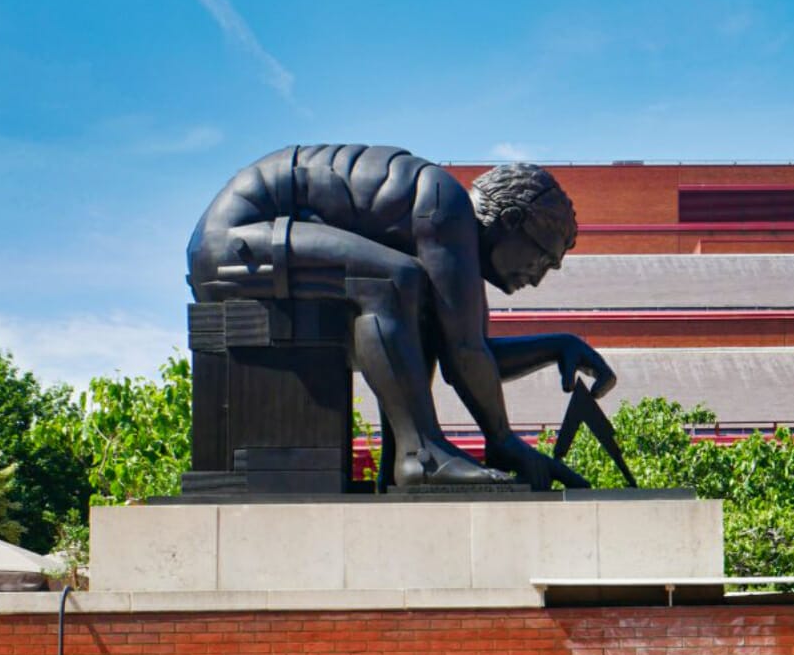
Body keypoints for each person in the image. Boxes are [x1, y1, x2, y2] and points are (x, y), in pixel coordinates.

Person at [187, 144, 616, 490]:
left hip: (258, 246)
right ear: (511, 219)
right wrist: (501, 440)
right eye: (541, 260)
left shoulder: (447, 233)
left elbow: (467, 352)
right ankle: (422, 457)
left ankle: (404, 460)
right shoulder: (445, 208)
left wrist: (558, 346)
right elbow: (465, 354)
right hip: (234, 244)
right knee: (392, 280)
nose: (536, 278)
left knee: (414, 298)